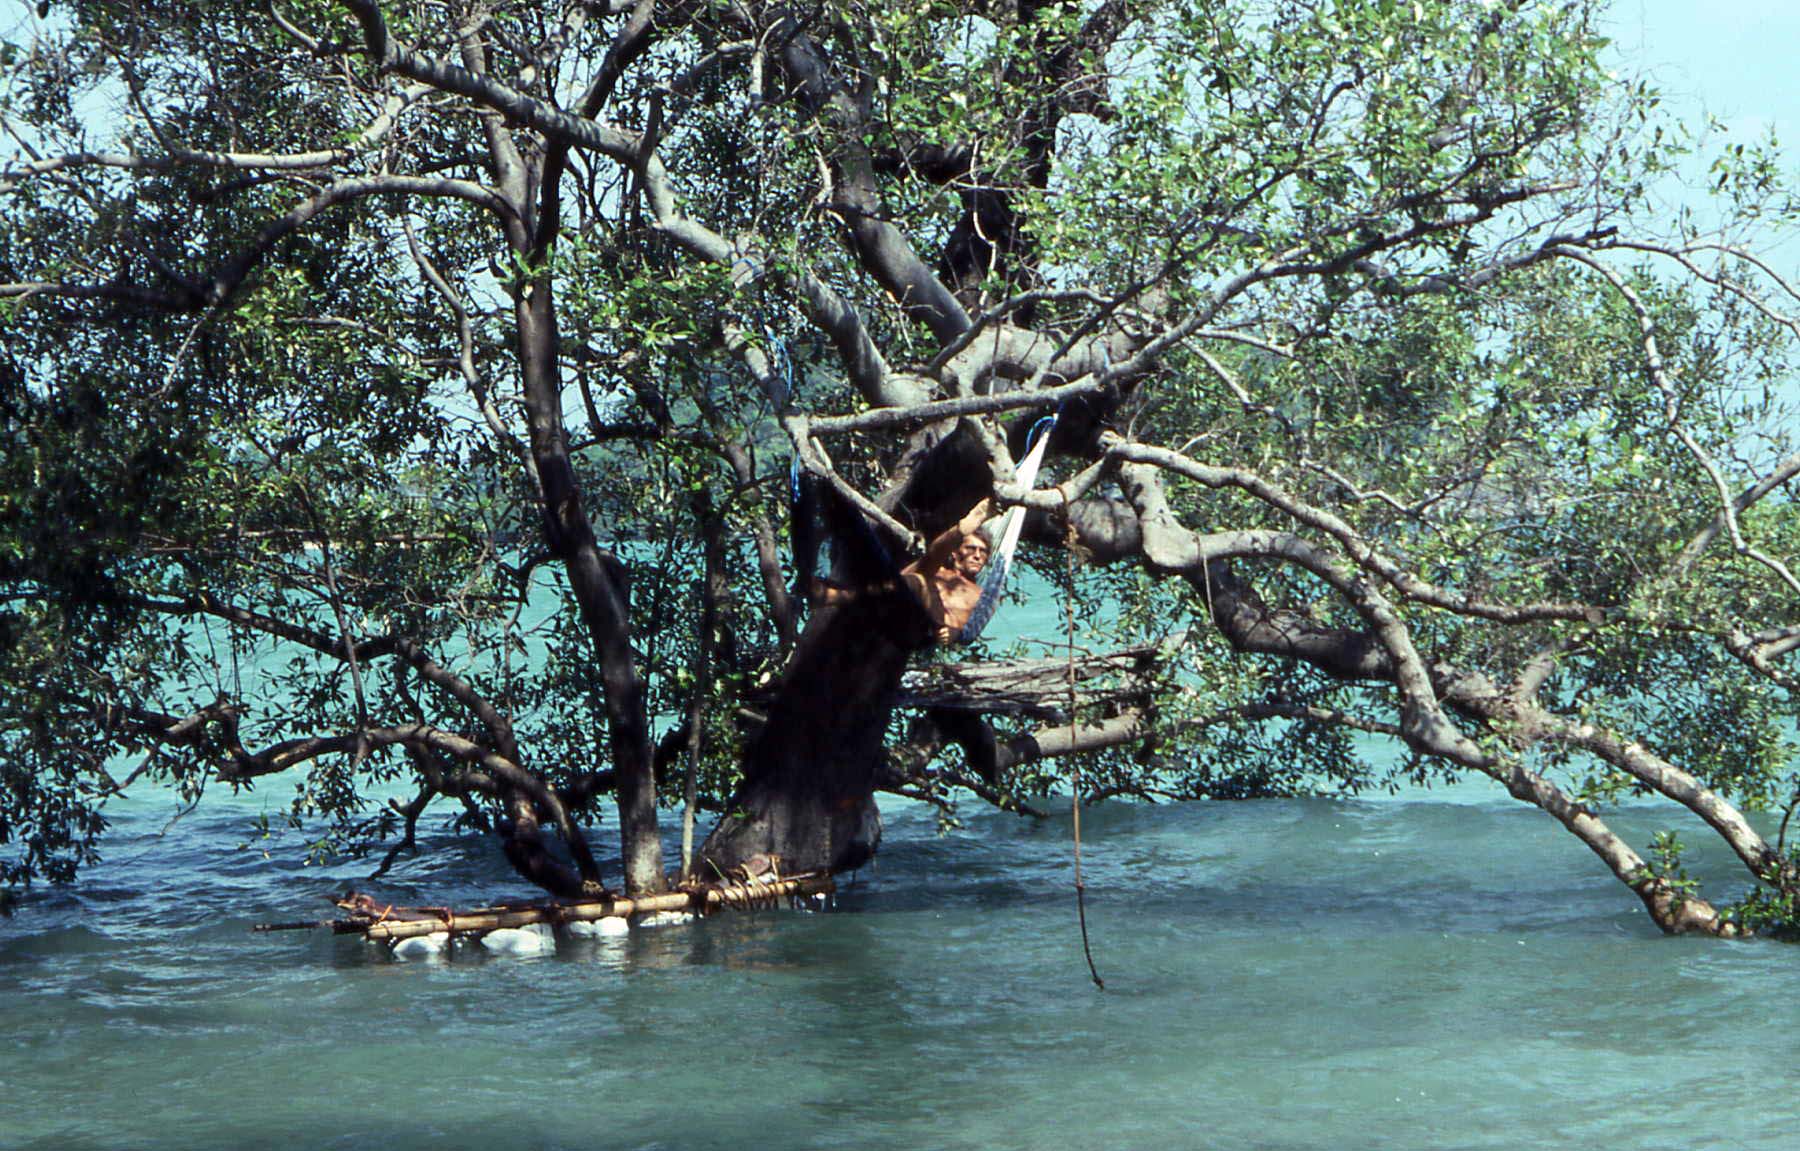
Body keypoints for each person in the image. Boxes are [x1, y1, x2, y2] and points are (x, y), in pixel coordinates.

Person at [796, 473, 996, 645]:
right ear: (955, 553)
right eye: (971, 548)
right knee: (919, 573)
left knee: (918, 580)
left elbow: (972, 629)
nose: (977, 555)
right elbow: (904, 577)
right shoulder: (940, 572)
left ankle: (838, 597)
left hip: (926, 627)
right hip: (899, 606)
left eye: (983, 551)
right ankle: (959, 531)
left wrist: (956, 634)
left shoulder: (983, 594)